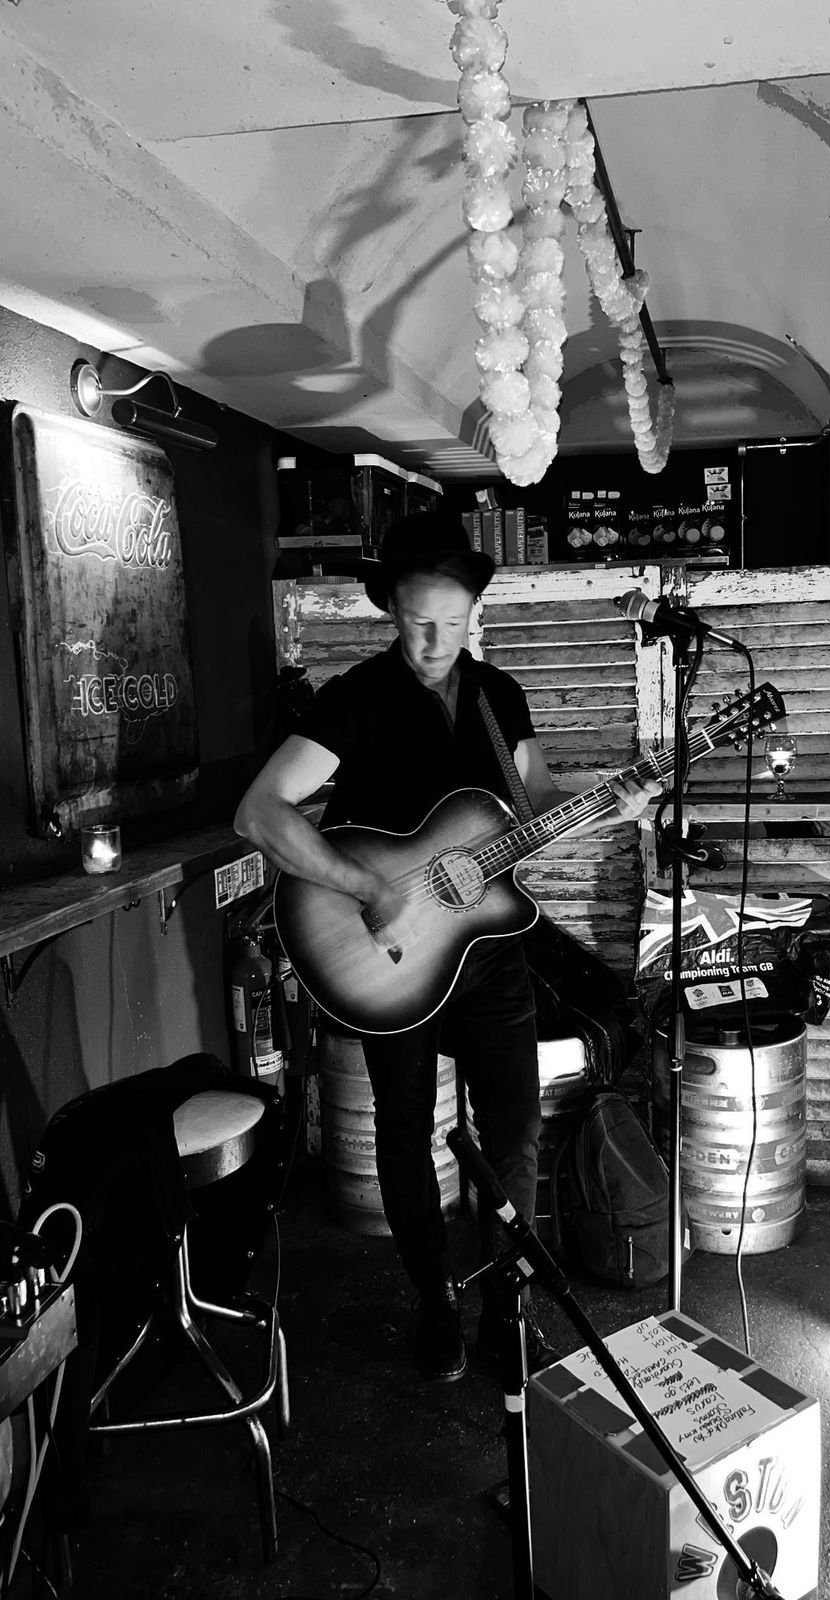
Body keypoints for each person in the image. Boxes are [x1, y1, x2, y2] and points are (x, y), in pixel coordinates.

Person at [235, 511, 658, 1381]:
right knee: (404, 1135)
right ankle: (435, 1300)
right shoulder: (354, 700)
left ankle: (506, 1304)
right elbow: (259, 813)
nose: (434, 642)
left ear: (474, 615)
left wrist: (609, 805)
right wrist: (369, 886)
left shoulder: (501, 697)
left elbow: (536, 806)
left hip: (488, 953)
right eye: (418, 621)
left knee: (516, 1131)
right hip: (388, 955)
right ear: (390, 608)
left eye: (453, 622)